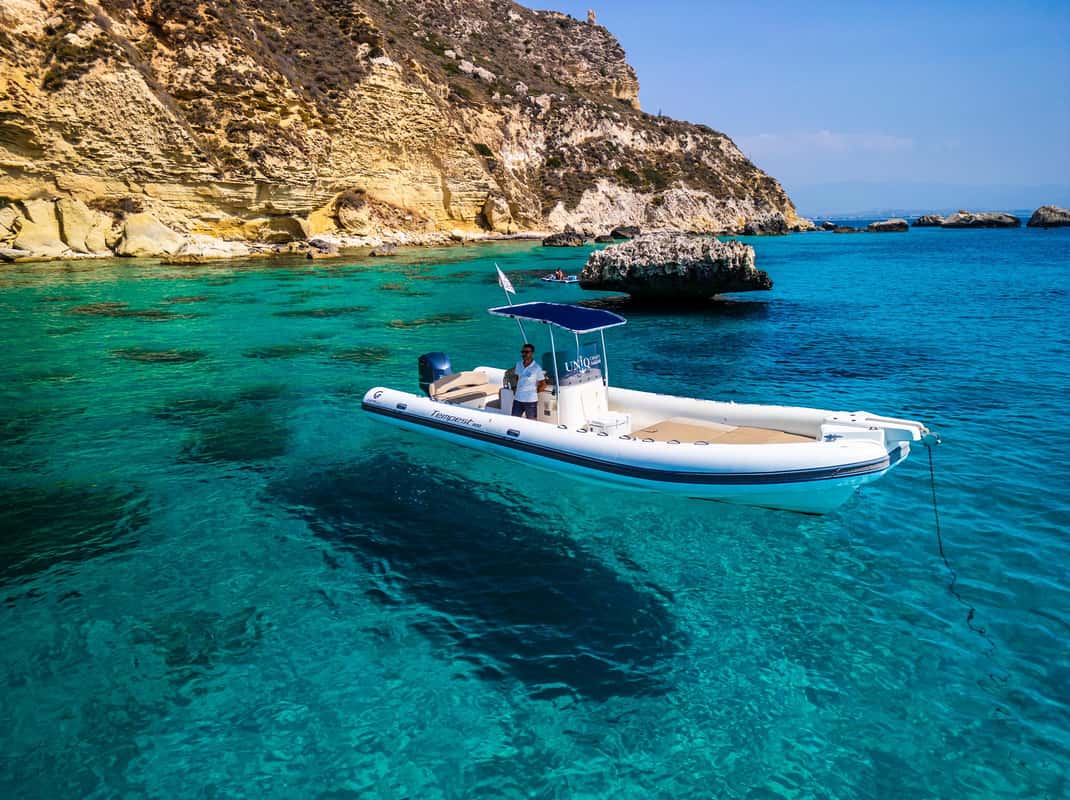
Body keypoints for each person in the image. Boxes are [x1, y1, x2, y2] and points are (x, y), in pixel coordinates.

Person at [509, 343, 547, 419]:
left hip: (530, 401)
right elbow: (517, 377)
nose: (524, 354)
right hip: (518, 399)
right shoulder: (518, 364)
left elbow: (543, 384)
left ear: (532, 353)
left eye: (526, 352)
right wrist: (514, 388)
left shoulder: (536, 368)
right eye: (522, 352)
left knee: (531, 422)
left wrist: (533, 392)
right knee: (513, 420)